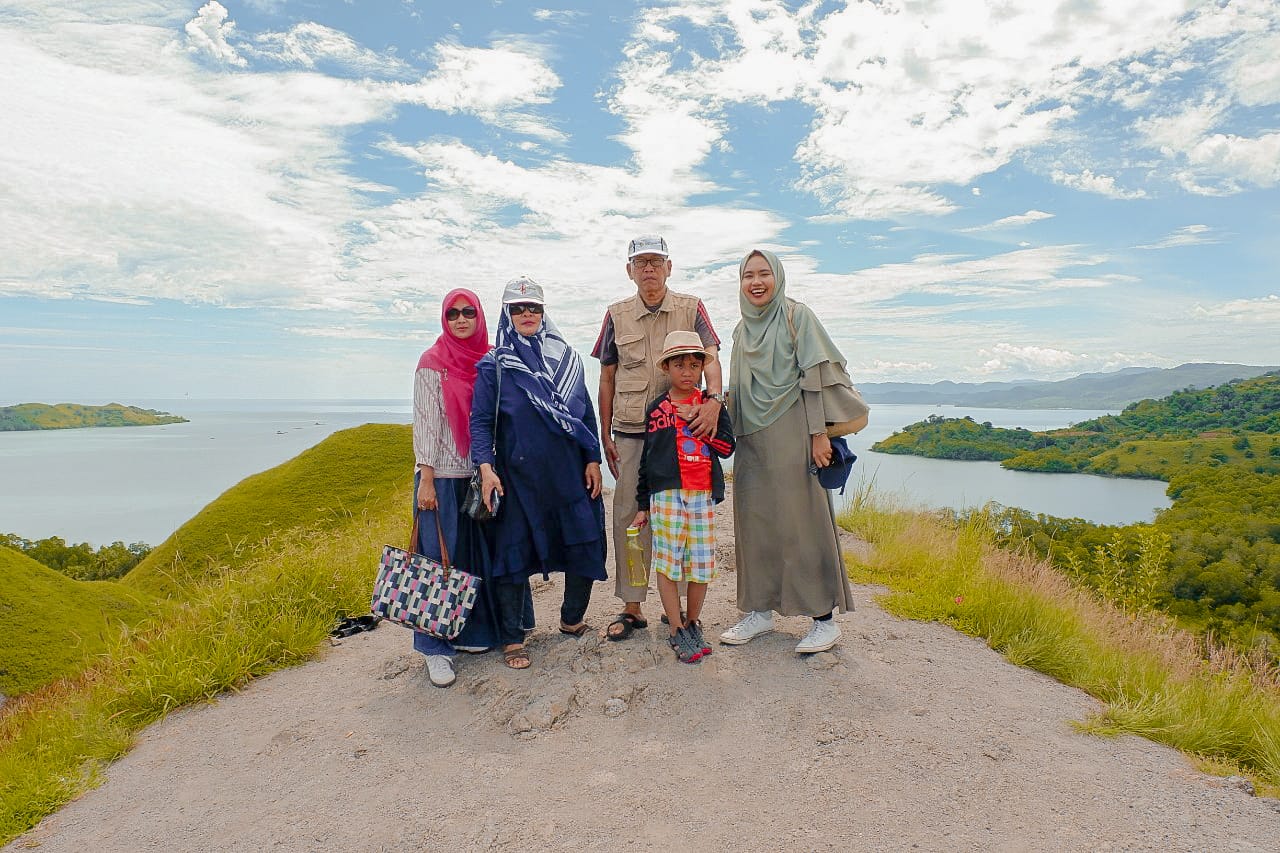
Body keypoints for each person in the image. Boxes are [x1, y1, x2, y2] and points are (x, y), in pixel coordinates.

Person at [720, 249, 865, 654]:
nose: (756, 282)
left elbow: (815, 375)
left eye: (764, 273)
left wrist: (819, 434)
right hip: (751, 438)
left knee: (802, 522)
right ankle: (760, 611)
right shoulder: (740, 330)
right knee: (754, 522)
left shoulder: (797, 316)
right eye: (748, 275)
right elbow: (737, 387)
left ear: (778, 276)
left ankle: (823, 619)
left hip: (793, 429)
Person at [592, 235, 724, 642]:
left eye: (655, 261)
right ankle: (632, 606)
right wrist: (605, 431)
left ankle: (681, 609)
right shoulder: (616, 314)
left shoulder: (691, 307)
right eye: (640, 262)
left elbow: (713, 355)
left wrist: (715, 401)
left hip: (684, 432)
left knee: (683, 519)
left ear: (669, 266)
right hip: (631, 432)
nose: (648, 269)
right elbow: (608, 376)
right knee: (631, 519)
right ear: (629, 270)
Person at [472, 276, 608, 669]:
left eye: (533, 307)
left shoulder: (567, 358)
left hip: (568, 474)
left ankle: (571, 619)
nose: (527, 314)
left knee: (583, 541)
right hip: (517, 478)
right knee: (513, 555)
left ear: (544, 312)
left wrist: (593, 458)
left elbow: (584, 413)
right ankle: (513, 638)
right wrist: (485, 467)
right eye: (518, 308)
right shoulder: (495, 365)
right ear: (507, 314)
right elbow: (481, 421)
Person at [412, 288, 530, 687]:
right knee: (438, 561)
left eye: (468, 313)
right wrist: (425, 478)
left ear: (480, 316)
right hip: (442, 477)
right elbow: (426, 423)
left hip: (482, 474)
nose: (460, 320)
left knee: (482, 560)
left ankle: (481, 634)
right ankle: (435, 650)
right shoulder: (433, 362)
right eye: (452, 315)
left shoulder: (492, 358)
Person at [631, 331, 735, 664]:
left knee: (701, 562)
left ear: (704, 368)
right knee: (668, 561)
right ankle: (675, 627)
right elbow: (647, 461)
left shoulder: (711, 406)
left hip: (702, 492)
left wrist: (701, 425)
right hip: (666, 495)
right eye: (680, 365)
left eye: (694, 364)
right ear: (667, 369)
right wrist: (642, 504)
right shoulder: (658, 409)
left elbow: (728, 446)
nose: (688, 372)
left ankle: (693, 622)